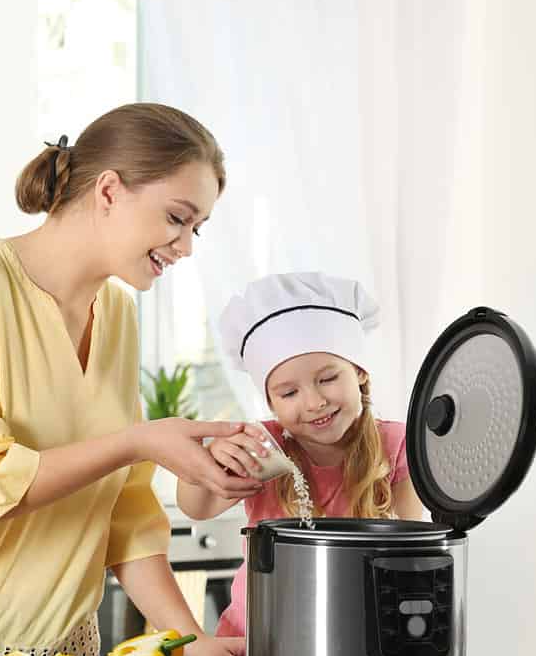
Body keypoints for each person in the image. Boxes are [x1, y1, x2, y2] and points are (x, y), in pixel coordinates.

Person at [0, 104, 251, 656]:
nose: (185, 246)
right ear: (109, 191)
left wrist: (189, 640)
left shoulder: (116, 314)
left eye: (196, 229)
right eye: (177, 218)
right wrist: (137, 441)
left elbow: (126, 513)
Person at [174, 272, 424, 637]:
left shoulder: (397, 444)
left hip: (355, 635)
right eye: (289, 393)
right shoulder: (263, 446)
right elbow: (196, 507)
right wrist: (206, 461)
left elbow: (408, 547)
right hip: (257, 637)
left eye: (327, 379)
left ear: (359, 373)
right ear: (271, 403)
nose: (314, 402)